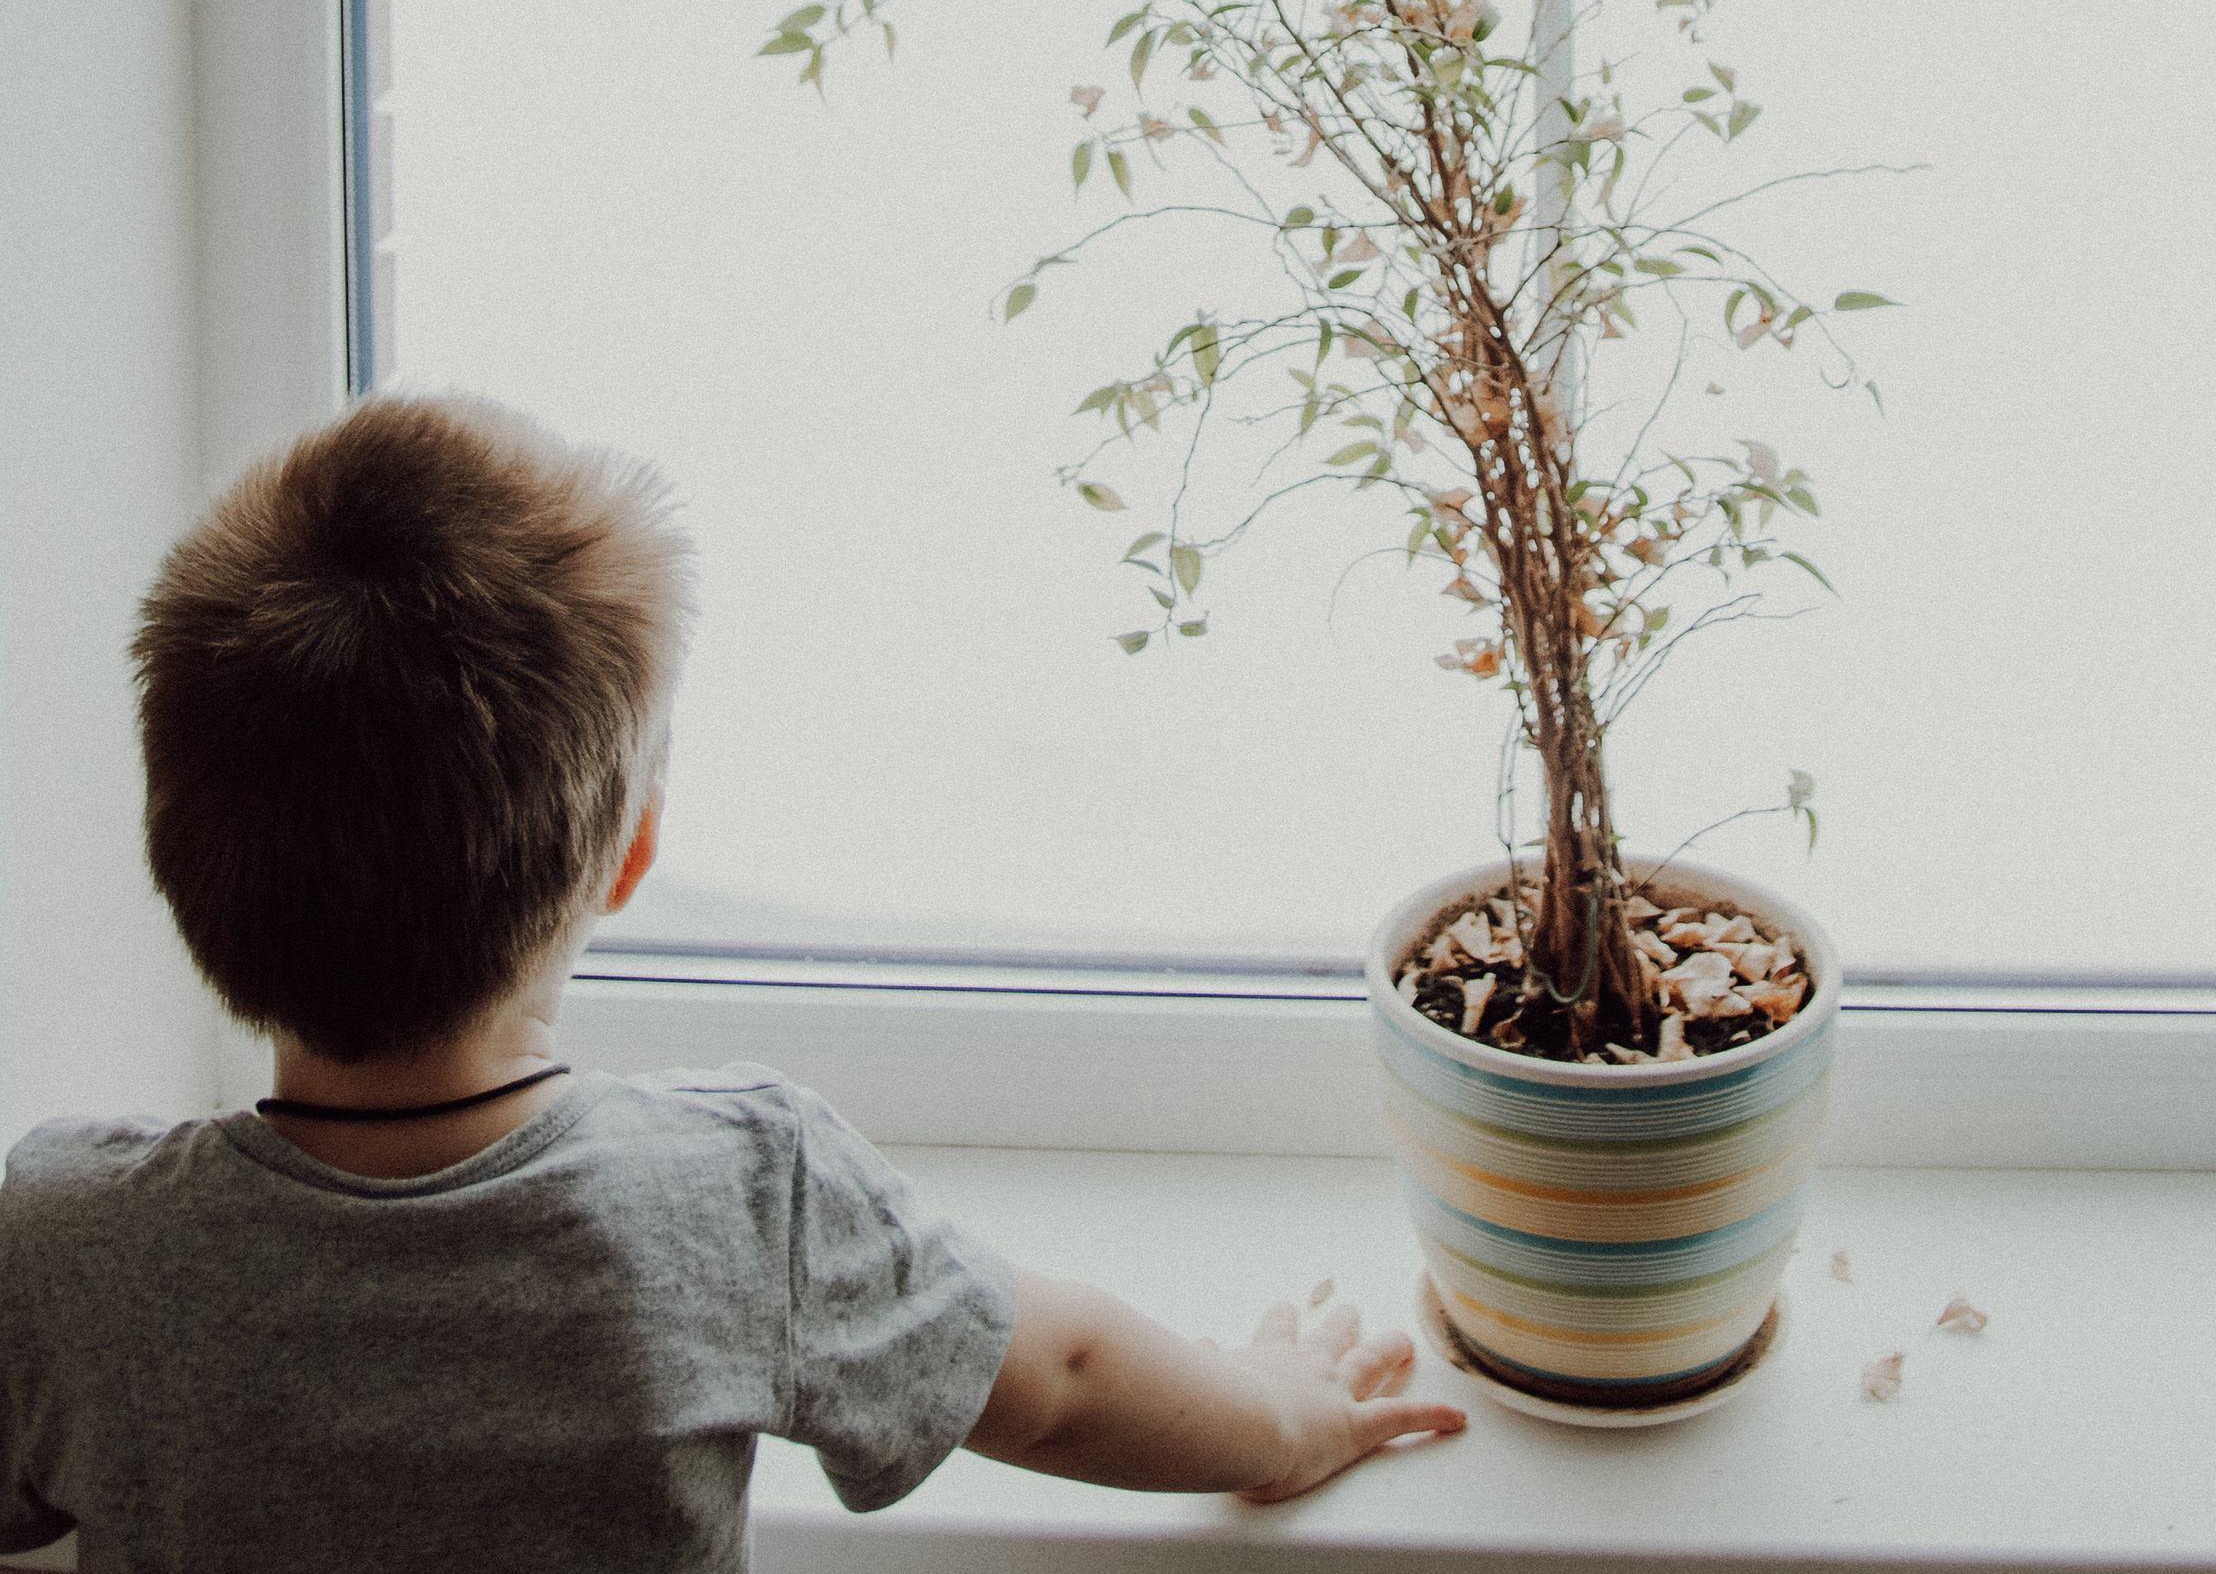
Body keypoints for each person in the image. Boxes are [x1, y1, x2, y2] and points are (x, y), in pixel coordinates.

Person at [0, 396, 1463, 1568]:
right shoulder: (733, 1191)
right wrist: (1282, 1411)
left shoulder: (69, 1253)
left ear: (176, 848)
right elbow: (1066, 1376)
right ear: (629, 855)